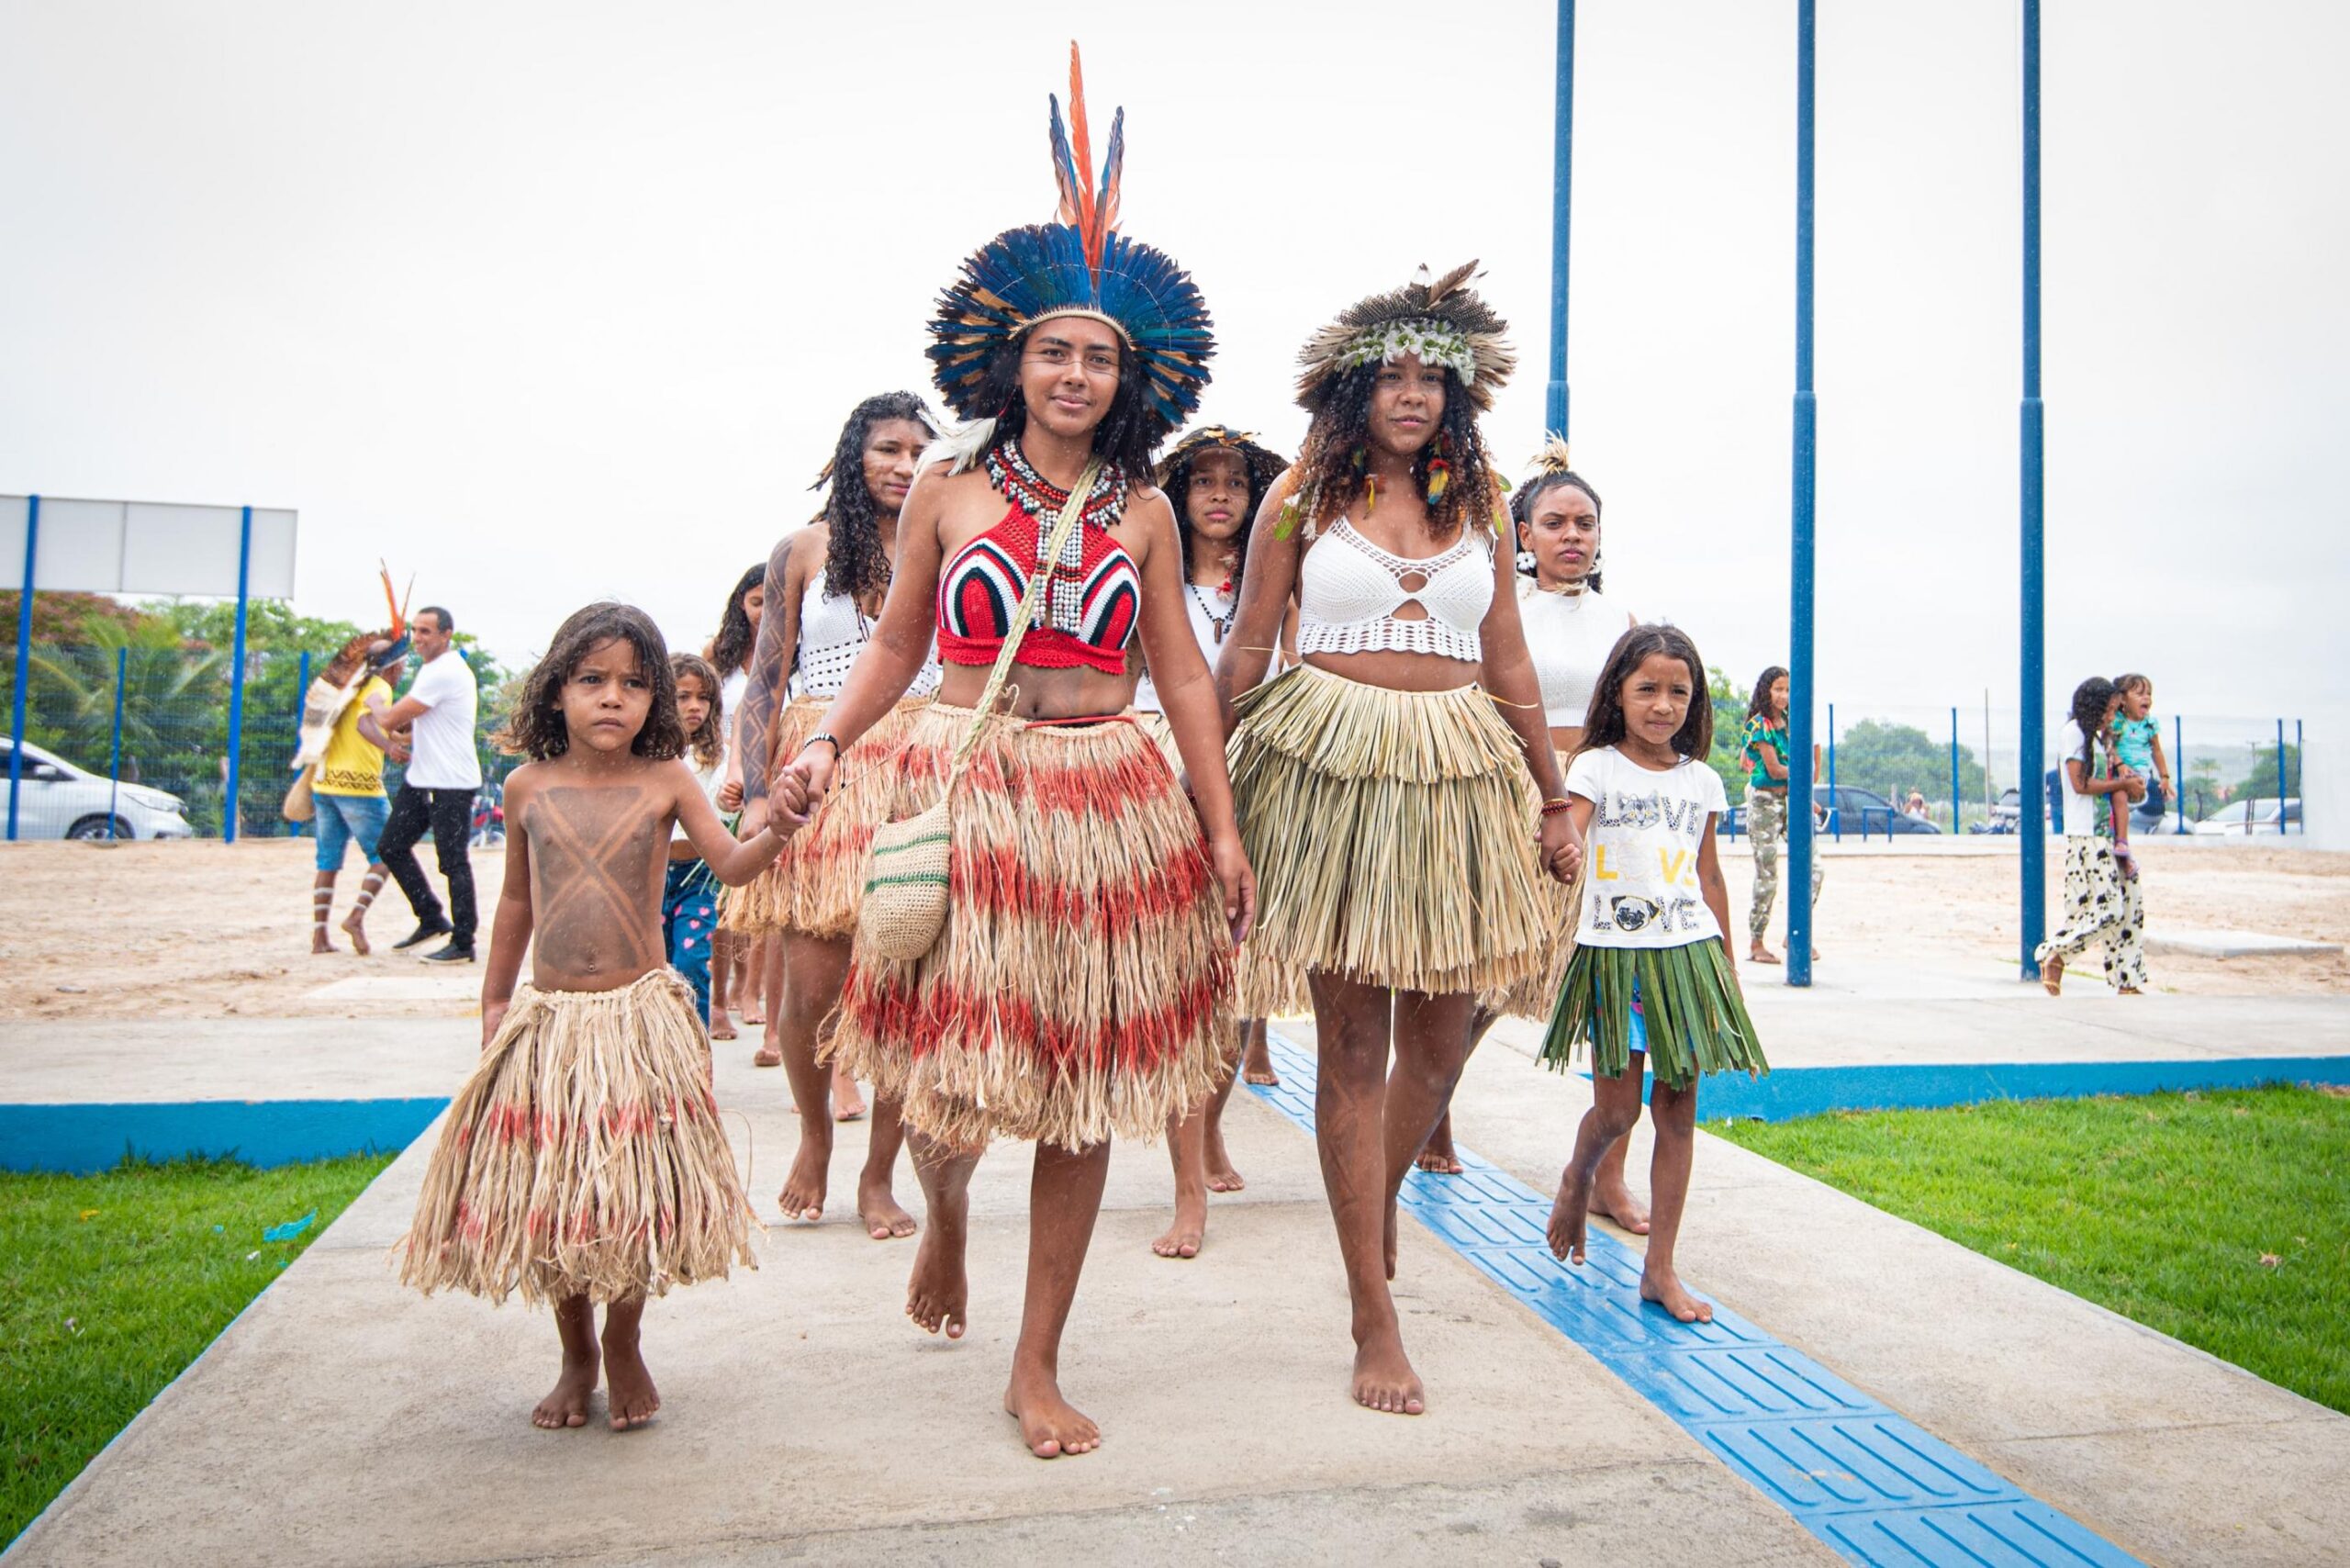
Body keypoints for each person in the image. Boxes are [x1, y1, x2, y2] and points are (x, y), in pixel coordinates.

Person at [778, 50, 1252, 1459]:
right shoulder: (946, 486)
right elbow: (894, 647)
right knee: (954, 1064)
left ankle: (1036, 1359)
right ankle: (945, 1212)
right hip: (972, 792)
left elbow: (1177, 671)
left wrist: (1218, 828)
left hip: (1108, 797)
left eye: (1100, 355)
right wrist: (821, 755)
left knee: (1087, 1079)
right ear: (1010, 362)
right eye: (1054, 349)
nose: (1076, 371)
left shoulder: (1150, 512)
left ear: (1130, 375)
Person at [1218, 262, 1576, 1417]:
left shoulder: (1479, 503)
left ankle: (1365, 1219)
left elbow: (1511, 657)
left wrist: (1553, 790)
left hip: (1457, 778)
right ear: (1351, 391)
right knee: (1351, 1046)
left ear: (1457, 395)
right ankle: (1373, 1311)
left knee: (1441, 1042)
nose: (1412, 394)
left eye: (1433, 378)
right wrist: (1198, 784)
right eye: (1392, 376)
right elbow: (1243, 648)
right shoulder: (1298, 503)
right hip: (1330, 773)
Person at [397, 601, 807, 1431]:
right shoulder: (525, 786)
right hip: (552, 1027)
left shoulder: (667, 782)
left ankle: (625, 1342)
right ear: (556, 692)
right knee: (563, 1198)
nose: (612, 698)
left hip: (636, 1025)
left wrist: (782, 828)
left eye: (633, 683)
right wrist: (494, 999)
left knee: (629, 1196)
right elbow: (515, 898)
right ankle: (574, 1351)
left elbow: (729, 863)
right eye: (592, 681)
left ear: (656, 700)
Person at [1418, 440, 1652, 1228]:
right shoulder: (1496, 607)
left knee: (1613, 988)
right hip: (1519, 797)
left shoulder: (1623, 621)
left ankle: (1608, 1176)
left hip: (1605, 807)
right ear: (1521, 533)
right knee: (1488, 981)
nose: (1572, 536)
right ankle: (1433, 1107)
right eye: (1554, 522)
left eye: (1585, 522)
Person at [733, 391, 942, 1238]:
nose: (902, 465)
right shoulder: (804, 549)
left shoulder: (952, 542)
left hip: (924, 766)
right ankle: (816, 1134)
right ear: (853, 455)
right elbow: (764, 678)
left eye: (918, 451)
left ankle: (880, 1173)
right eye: (887, 448)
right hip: (817, 768)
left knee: (904, 978)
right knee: (814, 984)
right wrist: (753, 790)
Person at [1537, 624, 1765, 1323]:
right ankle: (1580, 1177)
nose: (1663, 705)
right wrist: (1560, 851)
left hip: (1688, 955)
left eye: (1679, 692)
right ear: (1619, 693)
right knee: (1616, 1109)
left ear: (1694, 704)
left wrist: (1725, 963)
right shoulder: (1595, 766)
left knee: (1678, 1114)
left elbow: (1709, 875)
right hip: (1615, 957)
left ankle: (1659, 1270)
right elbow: (1566, 834)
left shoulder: (1704, 780)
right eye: (1648, 689)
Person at [1134, 422, 1287, 1260]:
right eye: (1204, 482)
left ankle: (1212, 1129)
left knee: (1235, 982)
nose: (1221, 495)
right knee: (1184, 983)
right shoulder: (1148, 569)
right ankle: (1188, 1187)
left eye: (1235, 482)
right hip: (1160, 768)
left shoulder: (1273, 581)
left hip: (1252, 769)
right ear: (1181, 495)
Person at [363, 606, 482, 963]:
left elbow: (389, 719)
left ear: (446, 635)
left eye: (426, 631)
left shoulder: (443, 671)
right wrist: (398, 734)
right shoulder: (434, 671)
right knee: (391, 847)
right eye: (415, 630)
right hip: (423, 779)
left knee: (453, 862)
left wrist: (373, 702)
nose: (418, 638)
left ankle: (464, 942)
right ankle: (430, 917)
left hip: (451, 783)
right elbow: (415, 726)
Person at [297, 611, 409, 956]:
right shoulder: (378, 688)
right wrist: (390, 745)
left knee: (327, 861)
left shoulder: (347, 687)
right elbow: (365, 724)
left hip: (325, 783)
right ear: (395, 667)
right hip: (359, 787)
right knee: (389, 853)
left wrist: (396, 734)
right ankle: (356, 916)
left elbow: (367, 724)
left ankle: (319, 937)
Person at [2035, 677, 2148, 996]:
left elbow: (2116, 783)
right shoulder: (2074, 734)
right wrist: (2122, 785)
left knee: (2130, 906)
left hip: (2112, 835)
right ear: (2093, 707)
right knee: (2107, 906)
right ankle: (2055, 954)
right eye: (2108, 710)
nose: (2111, 717)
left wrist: (2131, 784)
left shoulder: (2102, 739)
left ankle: (2127, 979)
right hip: (2088, 836)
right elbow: (2080, 784)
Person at [704, 565, 767, 1043]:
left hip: (769, 769)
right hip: (721, 778)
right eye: (755, 601)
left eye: (773, 599)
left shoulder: (796, 647)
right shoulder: (718, 655)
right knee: (724, 898)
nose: (764, 610)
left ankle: (750, 988)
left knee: (764, 901)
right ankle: (721, 989)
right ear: (740, 604)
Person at [1739, 665, 1823, 966]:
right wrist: (1801, 773)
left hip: (1793, 797)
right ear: (1766, 691)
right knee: (1768, 874)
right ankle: (1756, 940)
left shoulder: (1792, 721)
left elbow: (1813, 759)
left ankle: (1796, 932)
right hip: (1766, 801)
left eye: (1788, 689)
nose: (1784, 695)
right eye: (1778, 689)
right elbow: (1773, 769)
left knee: (1814, 869)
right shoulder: (1760, 724)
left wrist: (1808, 770)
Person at [663, 653, 729, 1025]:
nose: (694, 707)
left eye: (703, 698)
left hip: (699, 876)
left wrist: (730, 801)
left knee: (691, 963)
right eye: (682, 696)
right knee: (657, 967)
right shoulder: (648, 757)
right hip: (654, 875)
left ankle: (697, 1054)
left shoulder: (717, 756)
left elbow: (725, 808)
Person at [2113, 673, 2171, 827]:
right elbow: (2109, 746)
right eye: (2140, 694)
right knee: (2120, 802)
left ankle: (2137, 827)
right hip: (2121, 774)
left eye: (2149, 694)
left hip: (2143, 774)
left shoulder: (2150, 723)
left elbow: (2156, 750)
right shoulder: (2118, 721)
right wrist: (2120, 765)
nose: (2146, 698)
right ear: (2123, 699)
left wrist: (2164, 776)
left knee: (2154, 805)